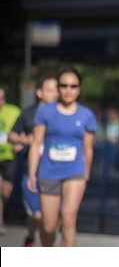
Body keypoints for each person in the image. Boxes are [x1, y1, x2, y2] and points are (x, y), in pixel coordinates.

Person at [27, 66, 97, 246]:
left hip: (75, 172)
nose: (68, 90)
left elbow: (88, 148)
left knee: (67, 219)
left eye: (73, 86)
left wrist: (86, 173)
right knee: (49, 227)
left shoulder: (86, 115)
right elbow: (36, 143)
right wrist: (32, 174)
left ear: (79, 89)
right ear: (58, 87)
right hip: (48, 172)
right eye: (64, 85)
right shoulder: (45, 112)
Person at [8, 73, 59, 246]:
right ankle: (31, 236)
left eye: (56, 90)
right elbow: (12, 135)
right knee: (37, 215)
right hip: (32, 173)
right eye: (50, 90)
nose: (55, 94)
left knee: (51, 218)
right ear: (39, 92)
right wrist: (25, 140)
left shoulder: (63, 115)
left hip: (55, 174)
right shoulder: (29, 114)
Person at [0, 86, 21, 235]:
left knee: (5, 192)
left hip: (8, 156)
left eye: (1, 98)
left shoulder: (14, 111)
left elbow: (22, 130)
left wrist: (19, 142)